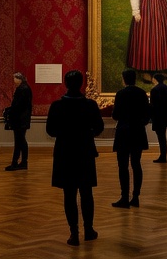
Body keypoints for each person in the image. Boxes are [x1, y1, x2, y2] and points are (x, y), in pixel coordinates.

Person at [46, 70, 103, 245]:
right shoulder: (90, 105)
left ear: (65, 83)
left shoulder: (57, 106)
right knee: (87, 193)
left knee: (69, 194)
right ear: (81, 83)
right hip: (85, 151)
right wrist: (87, 134)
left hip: (65, 152)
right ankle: (88, 229)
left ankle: (74, 233)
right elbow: (99, 128)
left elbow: (51, 130)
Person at [111, 68, 150, 208]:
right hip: (138, 132)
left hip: (123, 132)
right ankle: (136, 196)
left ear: (124, 79)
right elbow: (147, 115)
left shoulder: (120, 94)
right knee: (136, 164)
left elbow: (115, 115)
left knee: (123, 166)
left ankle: (124, 197)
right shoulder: (141, 93)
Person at [6, 71, 32, 170]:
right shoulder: (26, 88)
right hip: (23, 118)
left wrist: (10, 110)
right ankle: (22, 162)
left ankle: (16, 163)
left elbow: (18, 105)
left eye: (15, 78)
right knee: (21, 140)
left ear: (19, 79)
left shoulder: (21, 89)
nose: (14, 80)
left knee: (19, 141)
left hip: (19, 119)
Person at [150, 72, 167, 163]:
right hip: (166, 116)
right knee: (162, 136)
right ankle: (163, 155)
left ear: (155, 79)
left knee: (161, 137)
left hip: (157, 116)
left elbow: (152, 105)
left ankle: (163, 156)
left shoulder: (154, 90)